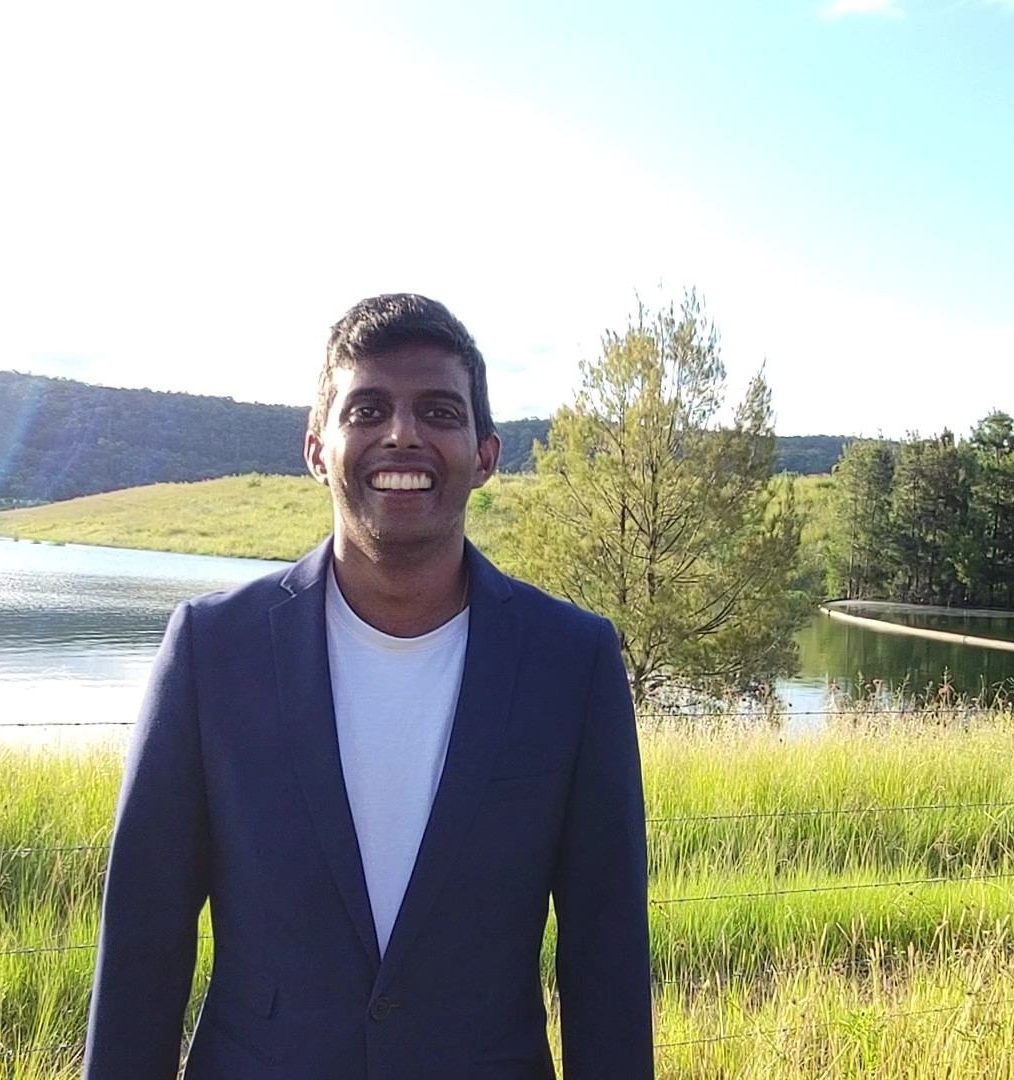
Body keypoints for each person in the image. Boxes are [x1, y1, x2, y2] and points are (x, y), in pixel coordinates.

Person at [82, 294, 653, 1079]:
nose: (403, 434)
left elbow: (607, 956)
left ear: (485, 455)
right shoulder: (213, 651)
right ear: (318, 448)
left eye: (439, 411)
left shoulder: (573, 660)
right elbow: (145, 944)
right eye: (369, 408)